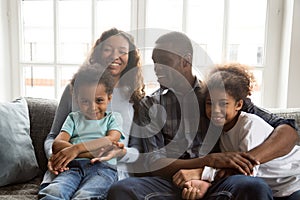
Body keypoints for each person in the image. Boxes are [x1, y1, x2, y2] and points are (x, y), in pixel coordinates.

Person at [107, 31, 299, 200]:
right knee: (122, 190)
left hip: (220, 181)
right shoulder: (150, 105)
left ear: (186, 60)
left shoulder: (220, 93)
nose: (157, 69)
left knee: (254, 187)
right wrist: (207, 161)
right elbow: (154, 163)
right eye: (155, 62)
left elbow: (288, 130)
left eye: (165, 62)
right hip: (172, 183)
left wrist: (229, 166)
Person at [40, 27, 145, 189]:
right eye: (108, 49)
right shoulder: (74, 89)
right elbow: (53, 137)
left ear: (130, 56)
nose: (114, 56)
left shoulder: (135, 96)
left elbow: (138, 151)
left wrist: (122, 153)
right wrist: (56, 157)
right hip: (68, 168)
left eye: (122, 51)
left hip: (109, 172)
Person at [182, 63, 300, 199]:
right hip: (277, 189)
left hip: (295, 180)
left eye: (223, 104)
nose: (215, 110)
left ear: (239, 105)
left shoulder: (248, 126)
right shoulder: (223, 132)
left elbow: (244, 171)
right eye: (210, 103)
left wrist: (202, 173)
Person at [39, 64, 124, 199]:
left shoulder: (114, 118)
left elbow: (111, 140)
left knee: (85, 196)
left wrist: (76, 149)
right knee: (53, 192)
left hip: (102, 168)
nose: (92, 107)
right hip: (71, 167)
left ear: (109, 97)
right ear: (77, 99)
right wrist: (93, 150)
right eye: (85, 101)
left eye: (99, 100)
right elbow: (57, 144)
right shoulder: (73, 118)